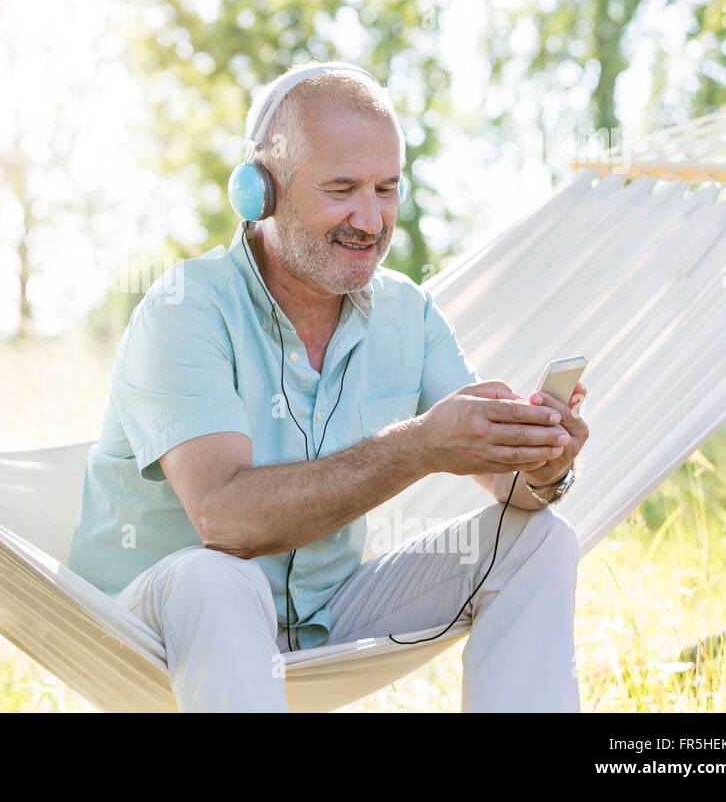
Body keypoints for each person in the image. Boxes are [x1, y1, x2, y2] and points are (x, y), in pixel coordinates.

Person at [67, 62, 589, 712]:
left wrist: (541, 465)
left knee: (540, 540)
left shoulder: (409, 312)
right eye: (342, 188)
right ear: (261, 191)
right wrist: (418, 447)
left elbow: (504, 482)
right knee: (217, 575)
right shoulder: (185, 308)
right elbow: (224, 519)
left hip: (322, 621)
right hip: (159, 628)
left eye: (387, 189)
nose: (370, 220)